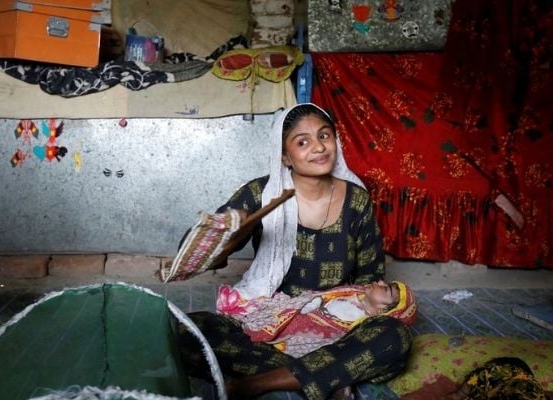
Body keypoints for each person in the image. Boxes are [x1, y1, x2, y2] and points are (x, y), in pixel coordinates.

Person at [177, 103, 413, 400]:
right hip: (267, 319)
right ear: (285, 156)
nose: (318, 147)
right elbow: (200, 250)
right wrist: (232, 234)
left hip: (337, 323)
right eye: (303, 142)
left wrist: (349, 314)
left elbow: (371, 277)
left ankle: (256, 383)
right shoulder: (261, 194)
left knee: (393, 337)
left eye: (325, 136)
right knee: (187, 332)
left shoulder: (356, 200)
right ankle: (331, 374)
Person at [217, 280, 417, 358]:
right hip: (307, 311)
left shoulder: (364, 324)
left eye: (387, 289)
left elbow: (337, 337)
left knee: (305, 340)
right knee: (274, 314)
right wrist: (312, 304)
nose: (380, 282)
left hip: (318, 328)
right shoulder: (354, 292)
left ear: (386, 309)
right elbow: (321, 296)